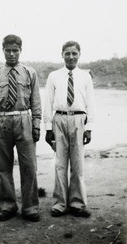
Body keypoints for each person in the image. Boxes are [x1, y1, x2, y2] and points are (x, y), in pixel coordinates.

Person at [0, 34, 41, 222]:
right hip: (1, 121)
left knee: (29, 166)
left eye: (15, 50)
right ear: (3, 51)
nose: (11, 54)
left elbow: (36, 101)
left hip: (23, 120)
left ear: (20, 51)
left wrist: (36, 125)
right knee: (4, 166)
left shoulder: (29, 72)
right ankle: (7, 205)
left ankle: (30, 207)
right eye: (8, 50)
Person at [43, 41, 95, 218]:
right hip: (59, 119)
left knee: (78, 164)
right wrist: (48, 128)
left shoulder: (85, 76)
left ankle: (77, 203)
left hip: (79, 119)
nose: (71, 57)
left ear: (79, 54)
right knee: (60, 164)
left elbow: (91, 104)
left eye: (74, 53)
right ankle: (59, 203)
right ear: (62, 55)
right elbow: (48, 103)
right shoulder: (54, 76)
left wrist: (89, 128)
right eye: (67, 53)